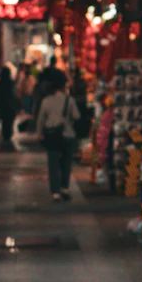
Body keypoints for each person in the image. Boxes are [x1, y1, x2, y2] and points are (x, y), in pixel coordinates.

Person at [35, 69, 79, 200]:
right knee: (66, 163)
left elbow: (41, 120)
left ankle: (55, 192)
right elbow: (76, 116)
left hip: (52, 136)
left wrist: (39, 134)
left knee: (53, 164)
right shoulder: (69, 100)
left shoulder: (46, 101)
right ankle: (64, 188)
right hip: (67, 135)